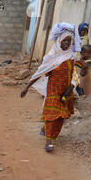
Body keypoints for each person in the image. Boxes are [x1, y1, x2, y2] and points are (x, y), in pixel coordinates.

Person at [20, 23, 81, 153]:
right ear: (59, 41)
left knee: (60, 117)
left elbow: (74, 75)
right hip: (53, 92)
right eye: (64, 41)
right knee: (52, 114)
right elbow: (40, 72)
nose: (66, 43)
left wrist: (69, 90)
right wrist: (27, 87)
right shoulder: (51, 57)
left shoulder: (70, 57)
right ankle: (49, 141)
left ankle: (45, 129)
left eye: (69, 41)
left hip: (66, 92)